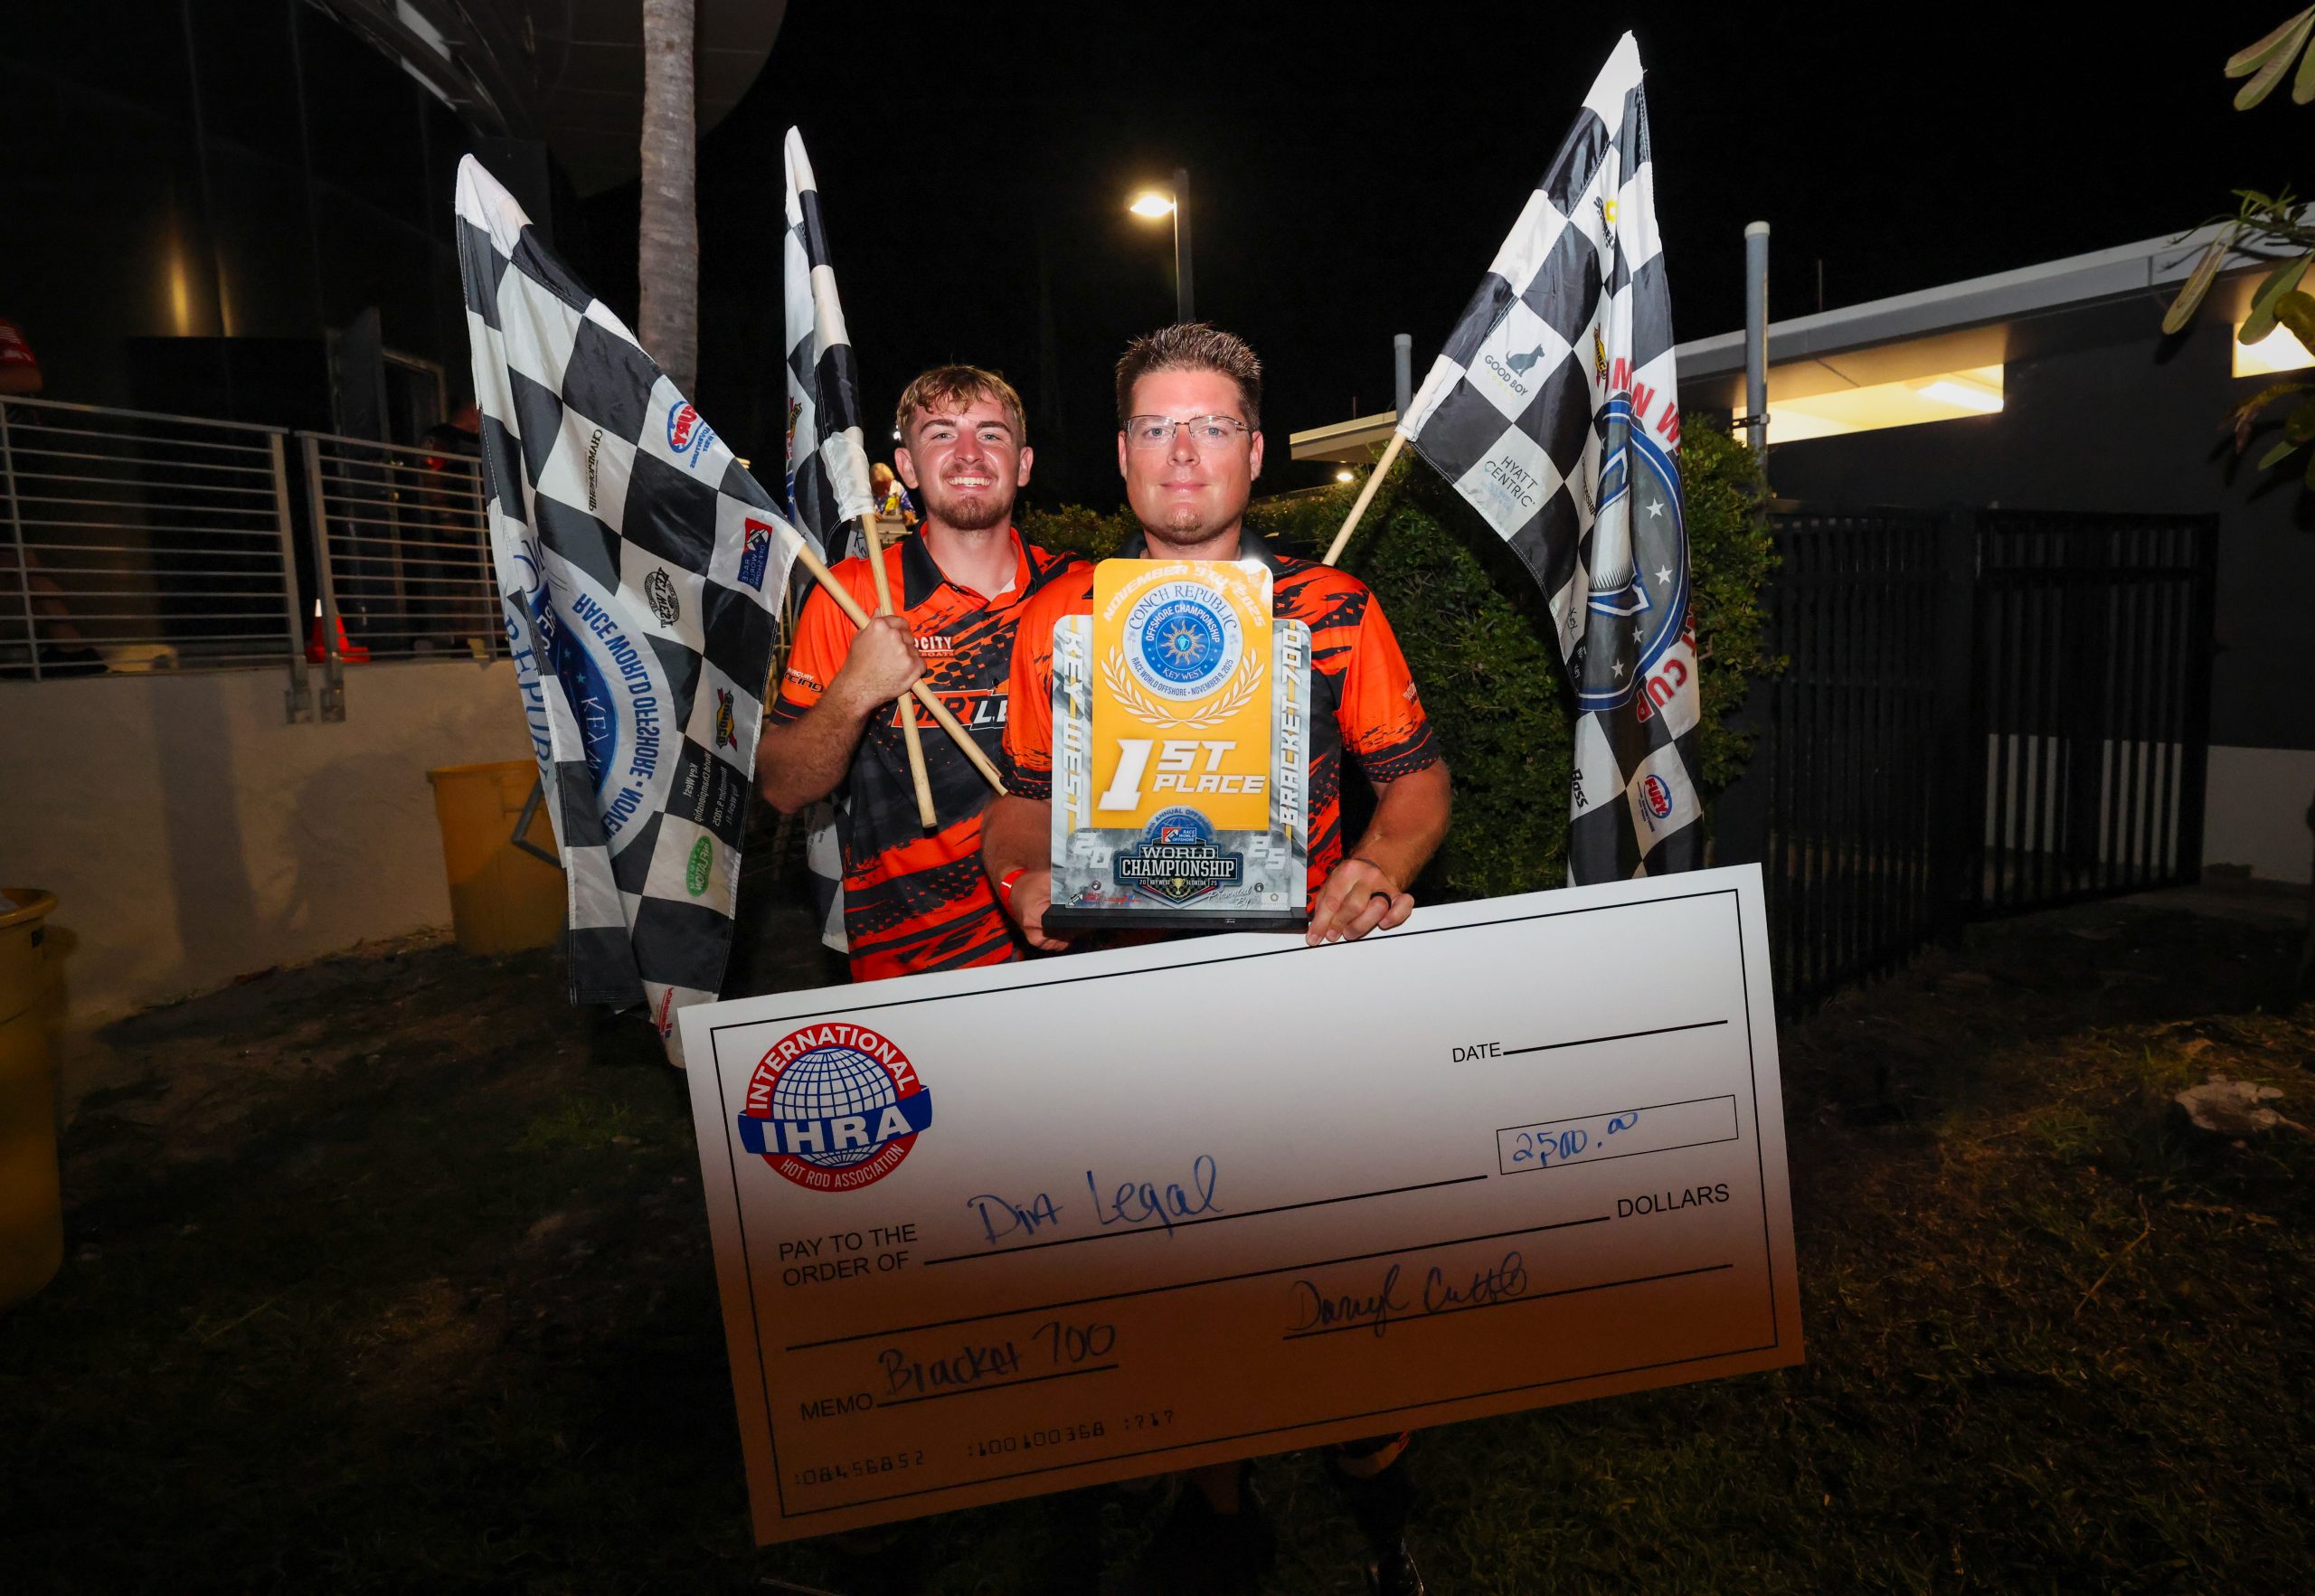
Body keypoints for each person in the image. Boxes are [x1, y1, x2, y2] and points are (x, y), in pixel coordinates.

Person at [978, 323, 1450, 1595]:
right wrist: (1021, 880)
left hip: (1304, 1005)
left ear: (1253, 451)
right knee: (1176, 1283)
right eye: (1155, 427)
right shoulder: (1058, 619)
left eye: (1210, 427)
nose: (1181, 453)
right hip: (1128, 1009)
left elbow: (1416, 787)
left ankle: (1383, 1521)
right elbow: (1020, 805)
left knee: (1341, 1294)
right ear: (1121, 453)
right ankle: (1219, 1517)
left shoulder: (1336, 609)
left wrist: (1379, 866)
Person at [757, 365, 1084, 983]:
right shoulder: (853, 597)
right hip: (912, 962)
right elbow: (782, 786)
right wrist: (857, 690)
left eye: (991, 434)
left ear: (1023, 464)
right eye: (941, 434)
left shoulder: (1079, 593)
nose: (969, 453)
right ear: (906, 467)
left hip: (1070, 940)